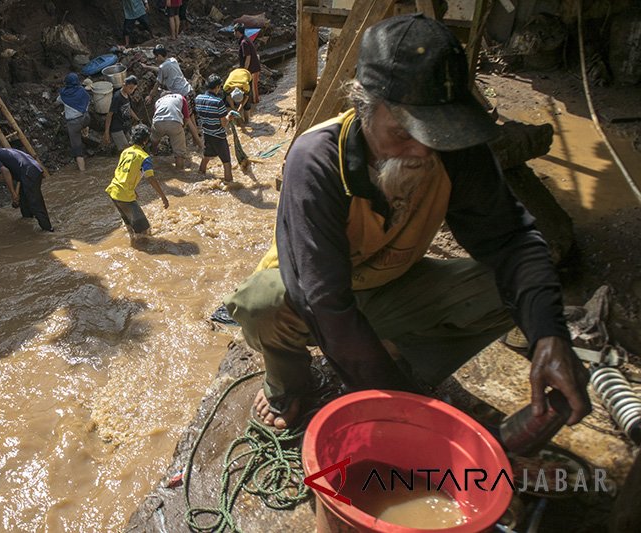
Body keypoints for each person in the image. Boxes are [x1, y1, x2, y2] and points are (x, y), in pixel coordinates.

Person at [223, 14, 591, 430]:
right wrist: (398, 404)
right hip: (312, 296)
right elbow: (323, 300)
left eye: (438, 132)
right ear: (363, 107)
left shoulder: (454, 150)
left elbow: (513, 240)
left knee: (512, 291)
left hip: (393, 284)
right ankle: (287, 384)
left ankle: (401, 358)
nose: (422, 150)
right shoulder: (317, 162)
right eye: (403, 132)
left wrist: (549, 334)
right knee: (260, 305)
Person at [106, 124, 169, 243]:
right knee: (145, 231)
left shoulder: (126, 152)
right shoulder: (144, 158)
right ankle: (142, 252)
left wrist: (133, 189)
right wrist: (163, 197)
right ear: (146, 140)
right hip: (125, 196)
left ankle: (132, 245)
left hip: (113, 191)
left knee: (130, 226)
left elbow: (122, 172)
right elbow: (151, 178)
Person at [0, 140, 53, 232]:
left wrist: (13, 194)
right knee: (24, 201)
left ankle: (48, 230)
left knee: (35, 203)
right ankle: (27, 222)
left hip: (28, 173)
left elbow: (6, 172)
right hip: (33, 169)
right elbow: (6, 173)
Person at [142, 45, 198, 139]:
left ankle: (198, 141)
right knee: (191, 116)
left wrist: (151, 96)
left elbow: (157, 84)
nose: (155, 59)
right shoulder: (173, 60)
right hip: (189, 90)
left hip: (182, 94)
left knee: (187, 120)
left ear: (159, 56)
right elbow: (160, 70)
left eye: (156, 56)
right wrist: (147, 67)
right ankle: (197, 137)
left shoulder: (164, 67)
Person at [195, 74, 235, 183]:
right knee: (226, 162)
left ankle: (200, 176)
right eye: (220, 87)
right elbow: (223, 123)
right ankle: (229, 184)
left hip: (207, 134)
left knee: (206, 157)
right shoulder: (218, 102)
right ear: (217, 87)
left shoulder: (198, 98)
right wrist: (229, 117)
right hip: (219, 136)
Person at [151, 91, 202, 169]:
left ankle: (153, 156)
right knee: (179, 153)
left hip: (157, 123)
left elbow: (157, 115)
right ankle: (180, 172)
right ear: (171, 94)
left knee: (154, 141)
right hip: (174, 122)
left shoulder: (158, 101)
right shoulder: (180, 97)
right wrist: (182, 127)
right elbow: (187, 117)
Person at [56, 72, 90, 172]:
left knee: (77, 149)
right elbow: (88, 99)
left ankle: (82, 172)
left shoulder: (64, 95)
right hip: (86, 118)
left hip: (74, 124)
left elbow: (57, 102)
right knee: (84, 122)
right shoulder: (82, 91)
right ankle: (85, 130)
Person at [104, 75, 140, 152]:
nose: (132, 91)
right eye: (130, 88)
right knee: (126, 150)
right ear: (124, 85)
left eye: (134, 89)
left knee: (132, 146)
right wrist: (106, 132)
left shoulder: (127, 95)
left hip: (125, 126)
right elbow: (109, 115)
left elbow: (129, 108)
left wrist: (138, 119)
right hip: (116, 128)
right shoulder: (117, 97)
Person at [234, 23, 261, 104]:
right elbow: (245, 52)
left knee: (253, 88)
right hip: (254, 67)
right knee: (253, 88)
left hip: (252, 69)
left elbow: (248, 57)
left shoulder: (244, 42)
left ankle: (257, 106)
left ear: (238, 32)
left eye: (234, 31)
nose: (233, 33)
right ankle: (255, 104)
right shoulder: (245, 39)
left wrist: (244, 71)